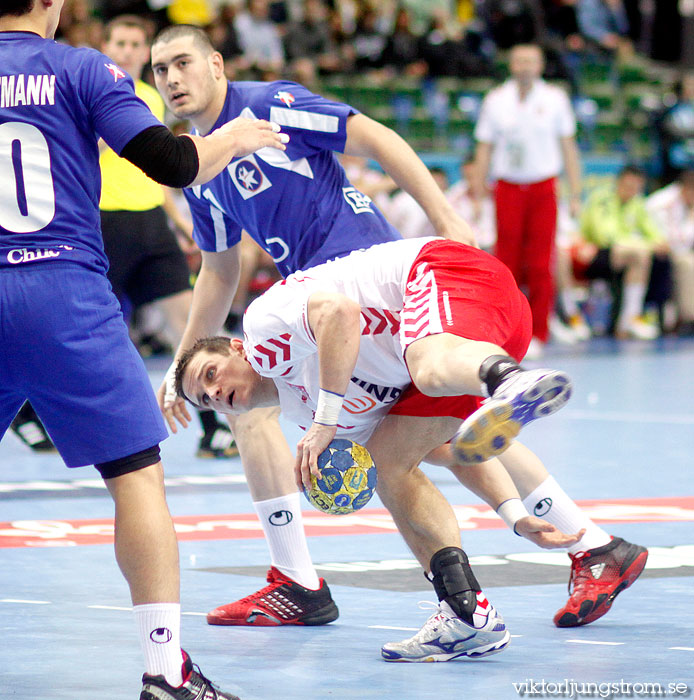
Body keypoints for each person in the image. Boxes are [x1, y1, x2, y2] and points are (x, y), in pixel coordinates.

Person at [0, 0, 287, 696]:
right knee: (136, 477)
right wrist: (239, 136)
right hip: (62, 286)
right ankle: (165, 672)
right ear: (52, 4)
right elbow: (175, 162)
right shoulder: (81, 68)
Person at [149, 23, 477, 628]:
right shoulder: (197, 166)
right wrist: (181, 362)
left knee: (431, 432)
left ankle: (298, 581)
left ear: (216, 64)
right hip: (314, 298)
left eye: (181, 62)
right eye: (159, 69)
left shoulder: (269, 104)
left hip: (360, 279)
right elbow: (219, 270)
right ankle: (584, 540)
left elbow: (373, 137)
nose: (171, 78)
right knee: (432, 435)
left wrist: (443, 213)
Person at [176, 236, 648, 646]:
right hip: (488, 326)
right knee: (390, 462)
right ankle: (466, 614)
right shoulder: (302, 413)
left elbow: (339, 312)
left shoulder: (262, 333)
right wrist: (514, 515)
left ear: (235, 349)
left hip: (445, 275)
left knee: (427, 365)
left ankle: (508, 381)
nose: (215, 392)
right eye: (206, 398)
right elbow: (449, 449)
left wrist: (326, 420)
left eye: (211, 374)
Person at [99, 14, 237, 459]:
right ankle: (32, 417)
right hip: (105, 223)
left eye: (134, 44)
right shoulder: (96, 92)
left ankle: (215, 425)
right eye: (118, 43)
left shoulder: (151, 99)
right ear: (107, 47)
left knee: (191, 322)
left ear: (145, 53)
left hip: (151, 226)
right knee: (96, 333)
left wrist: (180, 223)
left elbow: (155, 168)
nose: (125, 50)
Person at [472, 43, 583, 359]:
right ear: (511, 65)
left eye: (530, 61)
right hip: (507, 187)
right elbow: (484, 147)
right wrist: (479, 190)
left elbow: (568, 146)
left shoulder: (555, 99)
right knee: (506, 261)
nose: (524, 66)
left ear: (540, 65)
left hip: (543, 186)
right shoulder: (496, 100)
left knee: (539, 262)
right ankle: (506, 330)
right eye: (519, 61)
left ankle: (539, 331)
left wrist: (575, 191)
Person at [577, 165, 671, 339]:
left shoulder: (638, 204)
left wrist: (655, 244)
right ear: (619, 183)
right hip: (597, 254)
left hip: (629, 254)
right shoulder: (602, 199)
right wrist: (643, 244)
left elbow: (655, 235)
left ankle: (631, 319)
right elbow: (606, 237)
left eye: (636, 188)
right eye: (628, 186)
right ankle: (630, 319)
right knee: (639, 253)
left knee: (655, 258)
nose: (631, 191)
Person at [646, 170, 694, 336]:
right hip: (657, 249)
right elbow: (675, 240)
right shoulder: (664, 202)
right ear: (686, 189)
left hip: (677, 249)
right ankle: (689, 318)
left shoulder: (687, 203)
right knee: (688, 263)